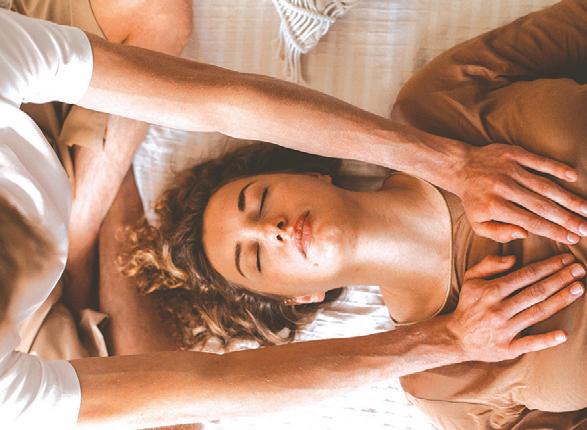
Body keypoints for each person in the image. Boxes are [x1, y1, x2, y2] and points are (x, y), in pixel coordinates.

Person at [0, 2, 584, 429]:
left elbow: (225, 101)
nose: (270, 229)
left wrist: (457, 163)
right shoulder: (446, 384)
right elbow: (207, 387)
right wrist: (449, 340)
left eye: (256, 201)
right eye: (252, 258)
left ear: (309, 171)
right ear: (299, 299)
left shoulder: (439, 108)